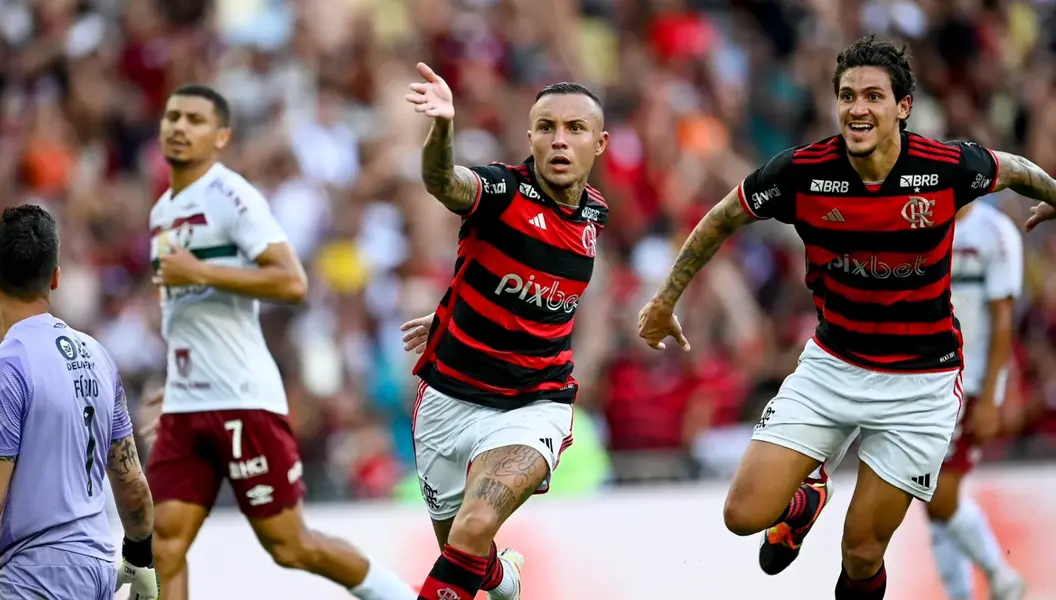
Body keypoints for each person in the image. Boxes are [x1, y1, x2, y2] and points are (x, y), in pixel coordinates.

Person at [636, 34, 1056, 600]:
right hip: (833, 365)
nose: (858, 108)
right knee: (742, 514)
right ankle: (806, 494)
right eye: (847, 95)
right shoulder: (804, 172)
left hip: (921, 385)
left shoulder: (946, 167)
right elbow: (724, 215)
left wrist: (1054, 193)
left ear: (902, 107)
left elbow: (1012, 168)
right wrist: (666, 299)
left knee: (861, 552)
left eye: (873, 96)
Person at [144, 84, 416, 600]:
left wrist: (198, 269)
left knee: (290, 546)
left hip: (243, 398)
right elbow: (184, 313)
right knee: (165, 546)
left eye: (196, 120)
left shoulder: (231, 195)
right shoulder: (162, 211)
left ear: (221, 136)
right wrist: (179, 383)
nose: (180, 127)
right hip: (189, 400)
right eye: (173, 116)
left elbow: (291, 282)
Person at [402, 62, 609, 600]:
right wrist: (443, 127)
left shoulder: (594, 215)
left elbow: (533, 287)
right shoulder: (502, 191)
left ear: (600, 143)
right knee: (465, 549)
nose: (559, 141)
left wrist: (456, 309)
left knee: (473, 529)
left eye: (574, 129)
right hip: (447, 398)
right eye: (546, 128)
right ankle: (504, 578)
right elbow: (444, 182)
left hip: (531, 401)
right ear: (530, 138)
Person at [0, 205, 158, 600]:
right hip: (97, 574)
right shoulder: (98, 358)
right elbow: (131, 482)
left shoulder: (3, 370)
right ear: (54, 278)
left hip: (35, 580)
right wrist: (141, 557)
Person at [928, 201, 1026, 600]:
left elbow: (1003, 318)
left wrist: (991, 395)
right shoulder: (925, 223)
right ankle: (961, 594)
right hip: (925, 382)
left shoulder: (996, 232)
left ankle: (1001, 577)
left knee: (940, 495)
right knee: (927, 491)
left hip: (969, 384)